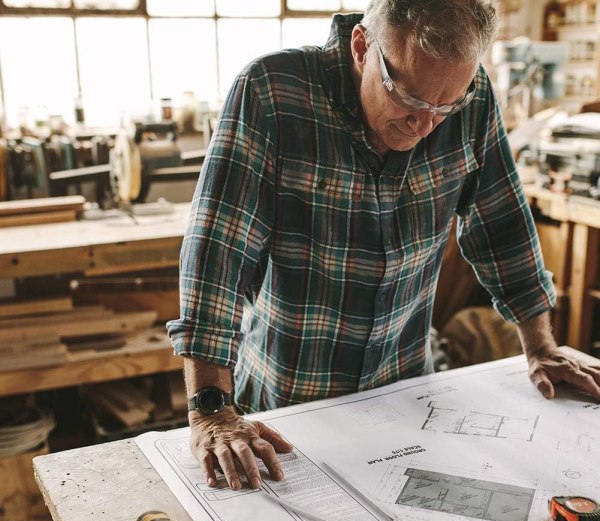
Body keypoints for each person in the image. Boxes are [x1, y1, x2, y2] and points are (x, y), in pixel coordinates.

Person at [167, 0, 600, 491]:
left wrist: (541, 346)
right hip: (291, 399)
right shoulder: (273, 91)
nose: (425, 123)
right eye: (409, 98)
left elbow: (502, 225)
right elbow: (217, 253)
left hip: (407, 394)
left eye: (445, 106)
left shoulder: (473, 100)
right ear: (361, 47)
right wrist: (211, 408)